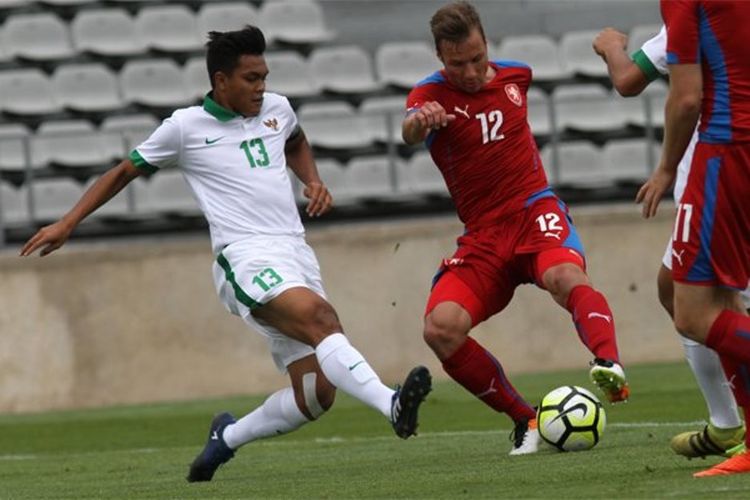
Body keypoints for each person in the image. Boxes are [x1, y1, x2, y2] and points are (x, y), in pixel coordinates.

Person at [20, 26, 432, 482]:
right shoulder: (185, 127)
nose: (262, 88)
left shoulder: (277, 109)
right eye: (251, 79)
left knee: (316, 395)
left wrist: (310, 180)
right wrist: (68, 223)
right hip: (245, 257)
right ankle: (391, 405)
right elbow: (124, 171)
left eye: (265, 77)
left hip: (295, 251)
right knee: (321, 320)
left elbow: (294, 141)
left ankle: (226, 438)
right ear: (221, 81)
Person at [401, 1, 628, 456]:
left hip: (533, 211)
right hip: (483, 236)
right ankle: (525, 419)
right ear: (440, 58)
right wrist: (418, 124)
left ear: (487, 44)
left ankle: (609, 364)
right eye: (456, 63)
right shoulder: (428, 98)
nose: (468, 71)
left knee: (566, 278)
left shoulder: (516, 76)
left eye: (476, 58)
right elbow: (410, 128)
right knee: (440, 328)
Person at [594, 25, 748, 459]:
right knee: (682, 293)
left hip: (721, 168)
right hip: (723, 166)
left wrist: (610, 46)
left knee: (704, 309)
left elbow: (630, 80)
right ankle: (726, 424)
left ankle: (728, 425)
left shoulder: (695, 11)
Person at [636, 0, 750, 477]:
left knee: (693, 311)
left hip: (726, 150)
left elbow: (686, 98)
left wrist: (665, 169)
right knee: (723, 302)